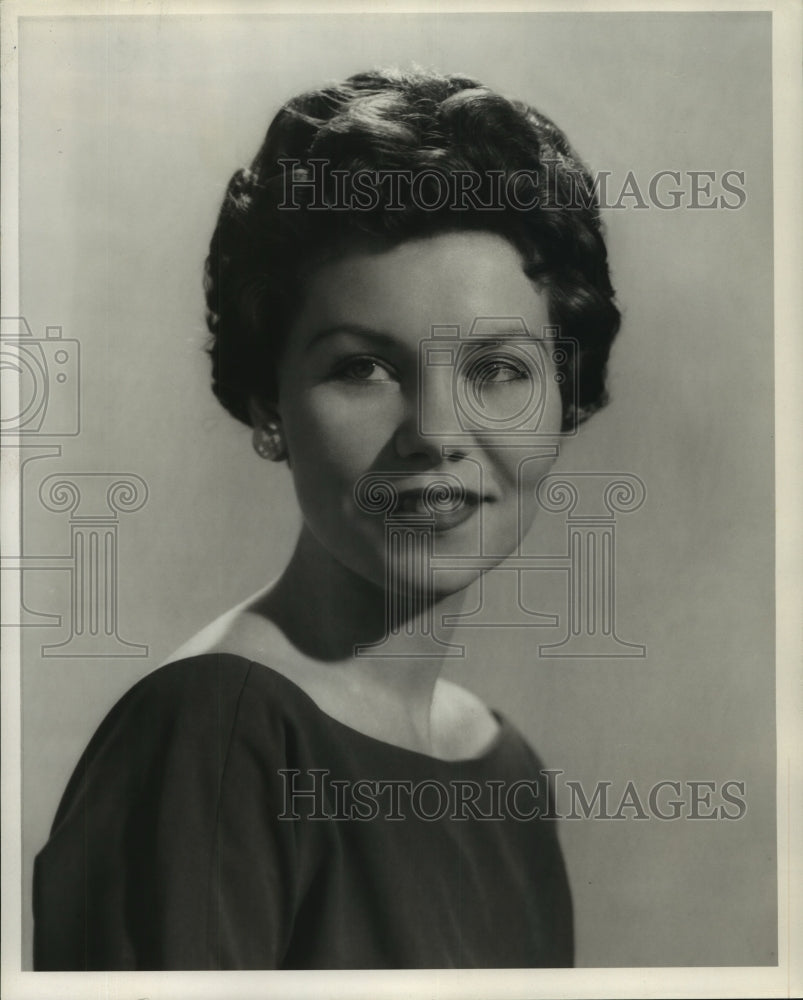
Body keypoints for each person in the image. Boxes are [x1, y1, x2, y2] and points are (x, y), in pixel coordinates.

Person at [33, 68, 621, 970]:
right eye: (361, 369)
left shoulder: (507, 776)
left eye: (496, 369)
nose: (434, 435)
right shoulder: (217, 737)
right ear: (268, 403)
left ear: (565, 398)